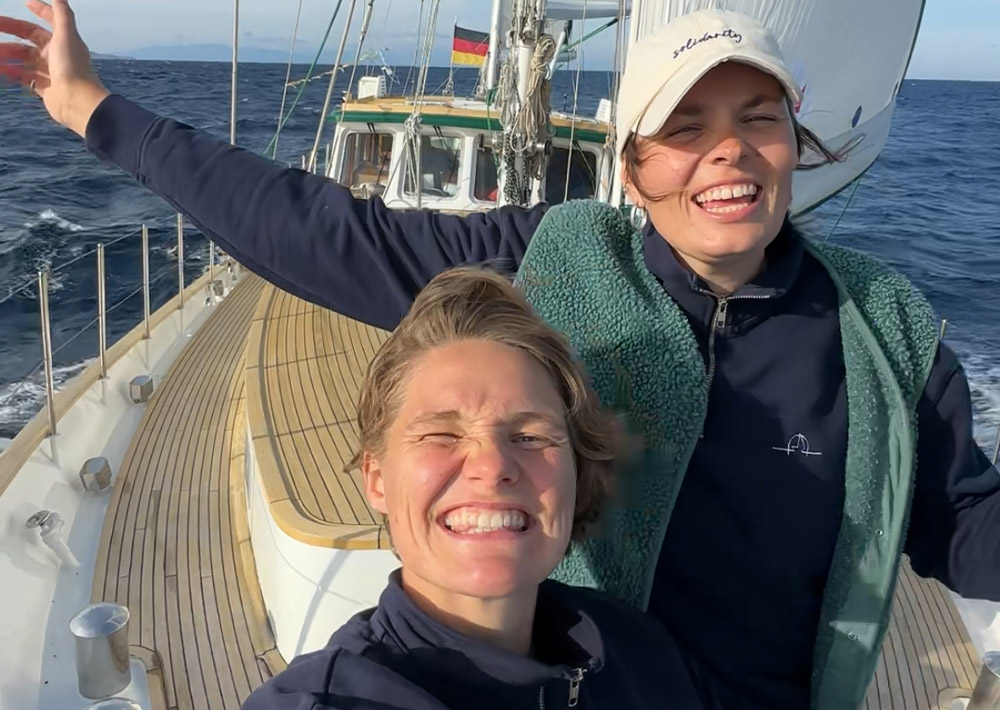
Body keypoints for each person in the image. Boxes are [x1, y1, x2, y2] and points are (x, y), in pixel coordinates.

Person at [2, 2, 998, 707]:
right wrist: (99, 110)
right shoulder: (559, 258)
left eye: (759, 120)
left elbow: (960, 523)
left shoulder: (882, 329)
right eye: (684, 127)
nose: (727, 152)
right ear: (635, 166)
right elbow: (320, 230)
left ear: (795, 142)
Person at [240, 266, 719, 710]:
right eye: (442, 434)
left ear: (578, 473)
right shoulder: (325, 701)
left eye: (530, 436)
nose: (491, 467)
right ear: (378, 480)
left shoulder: (641, 652)